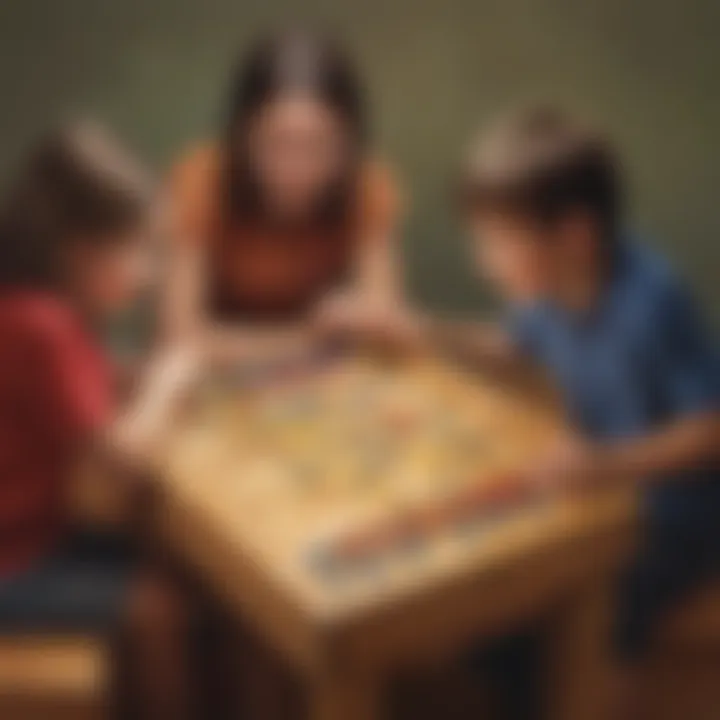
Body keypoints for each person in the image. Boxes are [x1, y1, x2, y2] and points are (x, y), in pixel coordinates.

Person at [364, 106, 720, 718]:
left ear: (574, 236)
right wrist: (420, 329)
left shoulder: (652, 299)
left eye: (497, 242)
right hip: (601, 487)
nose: (483, 261)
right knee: (492, 617)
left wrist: (604, 463)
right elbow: (510, 346)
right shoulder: (549, 291)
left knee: (597, 602)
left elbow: (709, 430)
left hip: (680, 511)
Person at [0, 122, 199, 720]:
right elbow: (121, 460)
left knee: (164, 558)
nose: (149, 272)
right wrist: (168, 380)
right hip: (14, 558)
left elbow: (84, 388)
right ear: (78, 250)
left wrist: (146, 380)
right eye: (138, 250)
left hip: (31, 537)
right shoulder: (45, 326)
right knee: (156, 609)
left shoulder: (31, 308)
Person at [166, 27, 403, 365]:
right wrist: (310, 337)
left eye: (319, 145)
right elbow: (182, 338)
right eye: (276, 143)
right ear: (243, 137)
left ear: (349, 145)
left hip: (326, 381)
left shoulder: (366, 185)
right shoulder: (202, 180)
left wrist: (370, 318)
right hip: (222, 382)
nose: (296, 168)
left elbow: (381, 321)